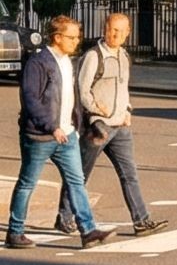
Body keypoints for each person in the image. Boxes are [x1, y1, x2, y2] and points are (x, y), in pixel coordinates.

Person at [54, 12, 166, 238]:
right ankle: (65, 217)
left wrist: (127, 110)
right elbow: (82, 91)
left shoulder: (124, 56)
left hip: (120, 127)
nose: (115, 35)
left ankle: (141, 220)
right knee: (80, 175)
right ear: (105, 29)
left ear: (128, 33)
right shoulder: (93, 56)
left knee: (129, 174)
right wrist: (97, 112)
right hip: (98, 127)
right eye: (112, 29)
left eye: (120, 31)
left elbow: (123, 89)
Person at [6, 15, 113, 251]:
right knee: (27, 183)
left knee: (76, 182)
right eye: (71, 37)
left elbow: (71, 98)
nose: (76, 41)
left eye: (77, 37)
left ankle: (88, 231)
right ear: (57, 37)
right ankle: (15, 231)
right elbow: (31, 99)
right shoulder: (38, 63)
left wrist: (77, 126)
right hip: (40, 136)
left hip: (67, 135)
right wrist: (50, 126)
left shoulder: (67, 62)